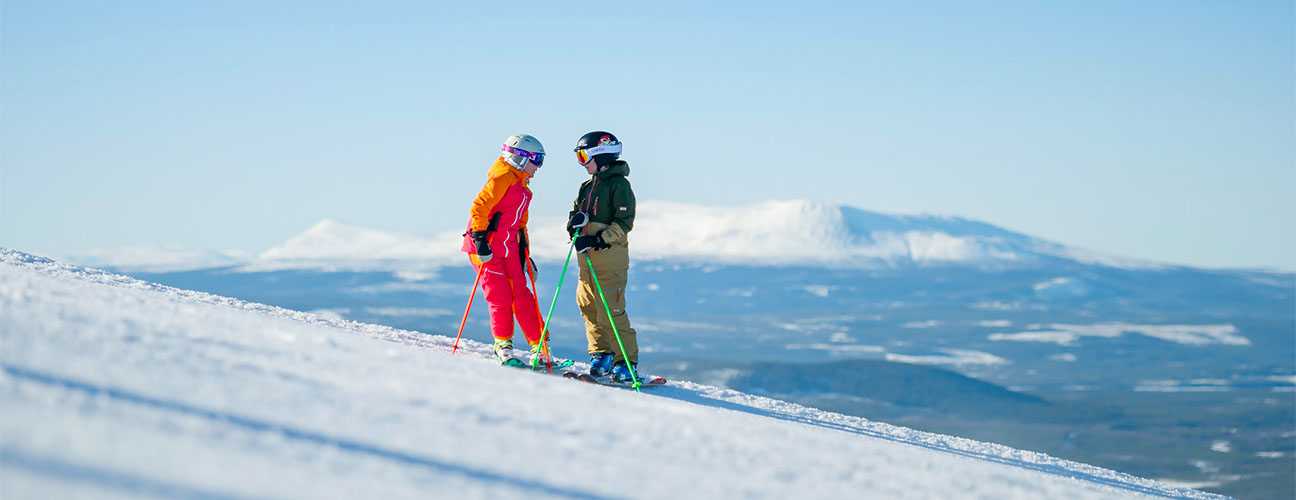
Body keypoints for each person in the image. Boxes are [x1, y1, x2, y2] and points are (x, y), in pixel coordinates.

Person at [462, 134, 554, 366]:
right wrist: (480, 239)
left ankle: (540, 347)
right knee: (500, 296)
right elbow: (480, 208)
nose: (539, 167)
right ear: (520, 158)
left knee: (522, 296)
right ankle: (502, 344)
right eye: (537, 160)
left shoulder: (522, 187)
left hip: (509, 247)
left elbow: (520, 226)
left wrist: (525, 254)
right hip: (487, 248)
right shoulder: (503, 178)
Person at [566, 131, 639, 382]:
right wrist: (573, 225)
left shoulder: (619, 185)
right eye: (579, 157)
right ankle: (601, 354)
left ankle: (625, 362)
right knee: (589, 307)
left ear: (602, 156)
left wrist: (599, 239)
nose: (583, 162)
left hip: (609, 260)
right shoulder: (588, 186)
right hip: (586, 261)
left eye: (585, 156)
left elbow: (624, 221)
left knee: (611, 310)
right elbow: (577, 210)